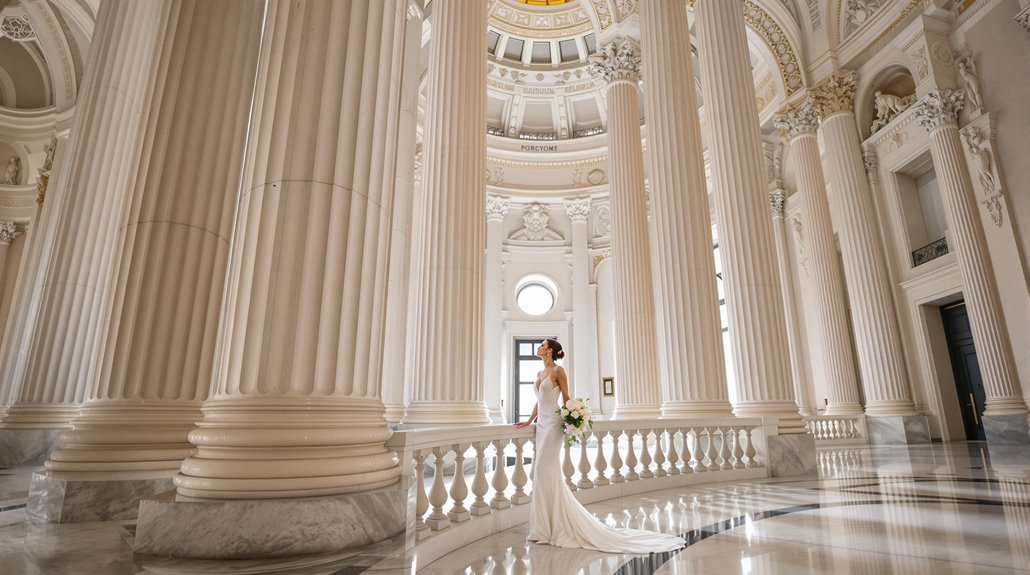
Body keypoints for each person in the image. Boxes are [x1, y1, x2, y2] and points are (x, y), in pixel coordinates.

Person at [514, 338, 686, 553]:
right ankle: (543, 528)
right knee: (541, 474)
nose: (538, 347)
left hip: (553, 426)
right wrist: (530, 420)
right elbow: (539, 401)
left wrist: (573, 418)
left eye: (541, 345)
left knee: (542, 470)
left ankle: (554, 526)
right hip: (542, 426)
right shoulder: (539, 374)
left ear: (549, 350)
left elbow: (567, 398)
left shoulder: (558, 371)